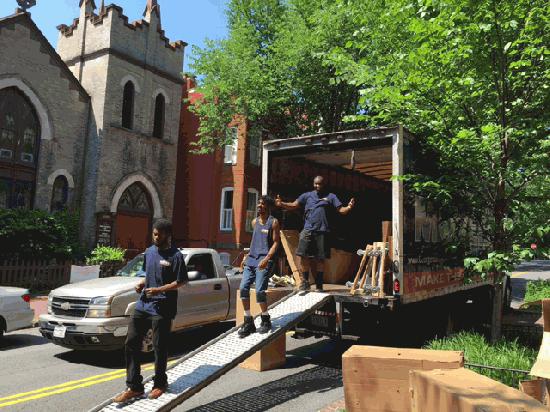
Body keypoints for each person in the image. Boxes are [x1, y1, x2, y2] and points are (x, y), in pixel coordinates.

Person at [114, 219, 188, 403]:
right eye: (153, 233)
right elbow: (148, 275)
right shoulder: (149, 252)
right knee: (131, 342)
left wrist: (159, 290)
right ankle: (134, 386)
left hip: (163, 306)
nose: (155, 237)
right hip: (144, 303)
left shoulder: (175, 256)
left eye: (158, 234)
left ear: (167, 235)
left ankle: (160, 384)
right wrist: (142, 284)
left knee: (159, 346)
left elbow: (181, 282)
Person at [275, 176, 354, 293]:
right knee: (302, 255)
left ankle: (319, 284)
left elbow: (341, 210)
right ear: (313, 184)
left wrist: (349, 207)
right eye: (316, 184)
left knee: (320, 259)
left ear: (324, 184)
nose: (318, 186)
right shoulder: (307, 196)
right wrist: (281, 204)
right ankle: (305, 282)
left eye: (320, 184)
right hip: (308, 230)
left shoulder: (331, 196)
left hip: (322, 231)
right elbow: (294, 205)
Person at [238, 195, 281, 338]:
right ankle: (248, 321)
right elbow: (254, 241)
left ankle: (265, 319)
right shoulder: (254, 221)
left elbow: (276, 243)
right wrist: (246, 256)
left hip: (264, 260)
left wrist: (268, 258)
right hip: (251, 259)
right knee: (243, 288)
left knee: (259, 291)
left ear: (267, 207)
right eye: (258, 204)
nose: (259, 206)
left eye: (262, 204)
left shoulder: (273, 222)